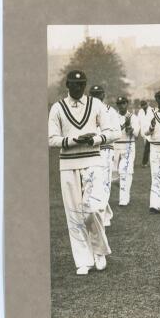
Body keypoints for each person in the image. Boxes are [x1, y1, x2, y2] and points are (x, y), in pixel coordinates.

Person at [48, 70, 119, 275]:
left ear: (85, 85)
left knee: (94, 208)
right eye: (73, 84)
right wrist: (73, 141)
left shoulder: (96, 105)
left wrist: (95, 139)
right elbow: (51, 139)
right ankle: (83, 260)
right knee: (74, 214)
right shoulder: (57, 108)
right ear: (67, 85)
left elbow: (114, 132)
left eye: (81, 84)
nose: (77, 88)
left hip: (93, 161)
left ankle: (99, 251)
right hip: (68, 164)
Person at [88, 85, 120, 226]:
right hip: (89, 150)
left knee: (105, 183)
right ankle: (103, 212)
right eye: (93, 94)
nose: (96, 97)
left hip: (105, 150)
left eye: (98, 94)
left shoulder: (110, 111)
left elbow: (117, 133)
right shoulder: (86, 111)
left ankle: (103, 217)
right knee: (92, 183)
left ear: (103, 95)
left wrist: (101, 138)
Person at [113, 96, 140, 206]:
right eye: (119, 104)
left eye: (123, 103)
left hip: (128, 146)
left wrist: (130, 128)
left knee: (125, 172)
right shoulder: (113, 117)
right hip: (115, 146)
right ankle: (125, 187)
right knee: (113, 175)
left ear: (127, 104)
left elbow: (137, 134)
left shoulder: (132, 117)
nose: (121, 106)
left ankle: (124, 200)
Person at [138, 100, 153, 167]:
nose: (143, 106)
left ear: (147, 104)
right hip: (144, 132)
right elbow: (138, 121)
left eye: (144, 105)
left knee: (148, 148)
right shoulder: (140, 112)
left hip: (151, 131)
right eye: (142, 105)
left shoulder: (152, 110)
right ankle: (147, 162)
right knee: (147, 148)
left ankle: (144, 162)